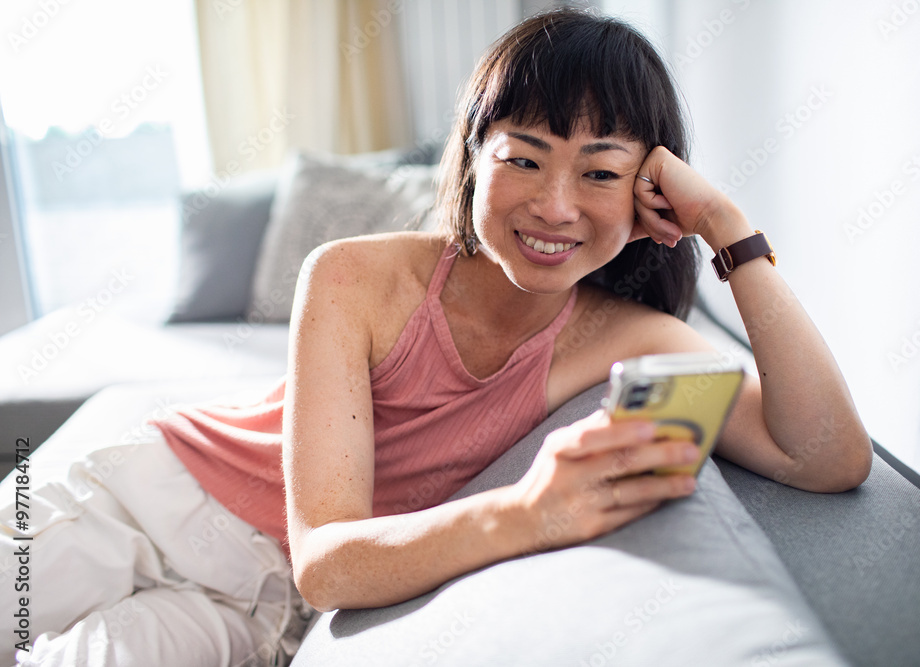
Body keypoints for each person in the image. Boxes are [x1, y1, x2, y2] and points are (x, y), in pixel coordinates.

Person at [0, 7, 873, 666]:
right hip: (148, 496)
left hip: (255, 618)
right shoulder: (352, 274)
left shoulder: (626, 335)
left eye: (600, 172)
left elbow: (826, 454)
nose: (556, 204)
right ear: (472, 158)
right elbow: (328, 556)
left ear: (650, 191)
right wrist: (526, 512)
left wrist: (727, 225)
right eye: (522, 157)